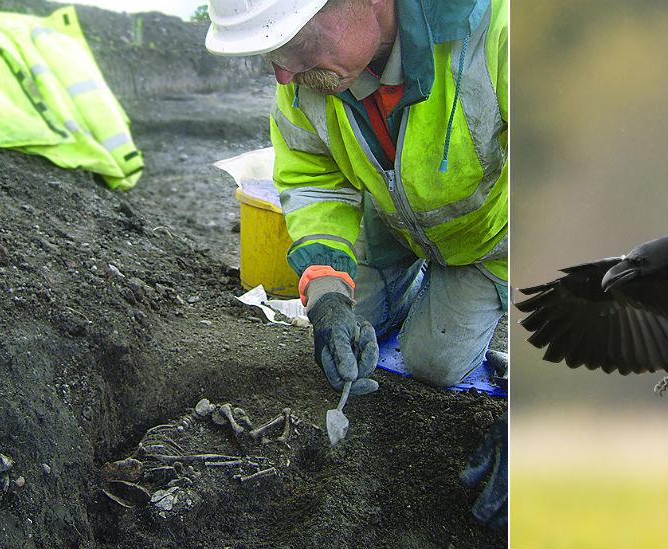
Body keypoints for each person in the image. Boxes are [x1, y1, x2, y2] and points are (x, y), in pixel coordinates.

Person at [206, 0, 508, 529]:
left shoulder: (502, 35)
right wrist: (324, 292)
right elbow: (312, 178)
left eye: (295, 43)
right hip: (391, 220)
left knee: (434, 364)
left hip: (488, 238)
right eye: (270, 53)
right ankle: (402, 282)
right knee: (347, 321)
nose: (283, 73)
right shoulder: (307, 77)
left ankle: (448, 288)